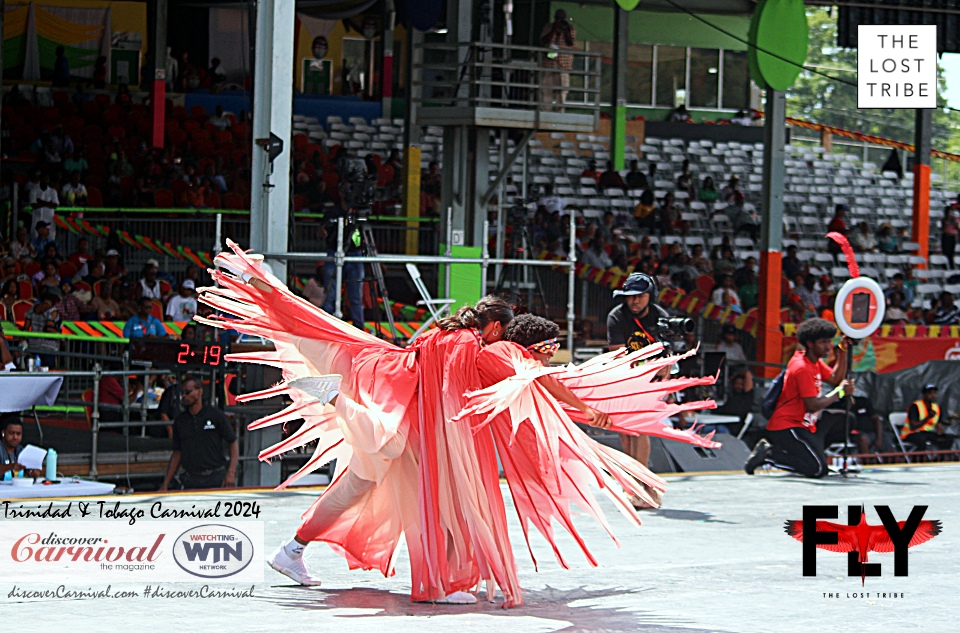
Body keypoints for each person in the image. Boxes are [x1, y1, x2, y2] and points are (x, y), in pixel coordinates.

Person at [201, 242, 714, 607]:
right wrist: (593, 411)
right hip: (410, 424)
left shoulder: (440, 335)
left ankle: (293, 546)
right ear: (501, 329)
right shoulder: (489, 350)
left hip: (381, 385)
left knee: (329, 351)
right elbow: (540, 379)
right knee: (428, 494)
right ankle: (436, 579)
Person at [744, 318, 854, 478]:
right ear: (810, 344)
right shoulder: (802, 368)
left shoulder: (813, 361)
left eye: (829, 341)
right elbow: (813, 405)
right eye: (823, 342)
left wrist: (842, 351)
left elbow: (836, 378)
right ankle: (768, 454)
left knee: (847, 419)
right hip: (789, 427)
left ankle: (812, 450)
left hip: (806, 423)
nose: (828, 346)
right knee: (817, 470)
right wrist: (841, 392)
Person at [606, 272, 670, 505]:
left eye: (639, 296)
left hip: (650, 383)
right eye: (629, 297)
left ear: (649, 295)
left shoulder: (660, 317)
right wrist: (649, 366)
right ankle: (634, 482)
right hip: (624, 378)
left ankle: (639, 483)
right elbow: (619, 355)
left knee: (640, 428)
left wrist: (664, 376)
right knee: (625, 431)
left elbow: (667, 356)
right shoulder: (617, 316)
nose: (634, 301)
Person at [159, 375, 238, 490]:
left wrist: (231, 472)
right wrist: (166, 483)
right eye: (182, 393)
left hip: (215, 475)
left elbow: (233, 442)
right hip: (192, 477)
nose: (184, 396)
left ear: (199, 392)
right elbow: (177, 453)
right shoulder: (180, 421)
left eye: (187, 392)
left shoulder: (215, 415)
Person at [320, 197, 365, 329]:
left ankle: (359, 329)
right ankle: (326, 329)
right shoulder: (332, 212)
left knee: (356, 297)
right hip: (334, 253)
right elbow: (321, 231)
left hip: (355, 256)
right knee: (330, 295)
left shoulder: (359, 213)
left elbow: (363, 237)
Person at [539, 9, 576, 111]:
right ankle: (546, 111)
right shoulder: (548, 27)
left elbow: (570, 43)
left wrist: (565, 30)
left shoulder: (570, 28)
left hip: (563, 64)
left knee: (562, 91)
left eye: (561, 17)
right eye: (558, 17)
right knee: (546, 89)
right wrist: (554, 30)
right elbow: (543, 41)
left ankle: (560, 113)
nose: (559, 19)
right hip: (548, 63)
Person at [901, 384, 955, 452]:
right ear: (924, 395)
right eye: (930, 393)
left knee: (948, 438)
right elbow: (913, 426)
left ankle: (940, 460)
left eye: (934, 393)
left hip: (927, 433)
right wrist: (928, 417)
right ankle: (918, 461)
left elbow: (938, 425)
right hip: (912, 433)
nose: (933, 395)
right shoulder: (915, 406)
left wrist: (941, 434)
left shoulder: (937, 407)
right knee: (921, 441)